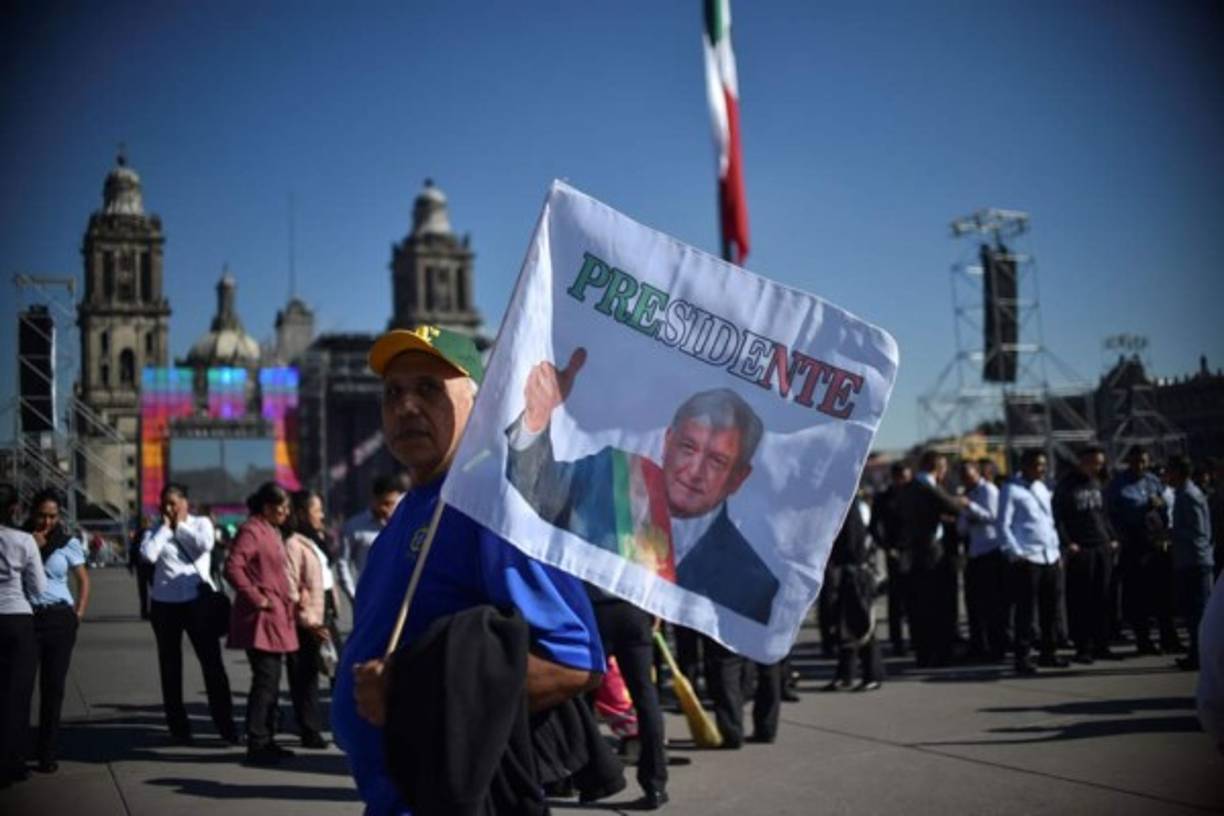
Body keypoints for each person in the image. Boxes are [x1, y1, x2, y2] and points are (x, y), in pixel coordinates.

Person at [333, 326, 611, 814]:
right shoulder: (407, 512)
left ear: (479, 404)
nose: (406, 407)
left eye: (429, 389)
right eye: (393, 393)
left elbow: (576, 663)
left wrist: (408, 698)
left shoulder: (494, 501)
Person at [506, 348, 779, 626]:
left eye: (717, 461)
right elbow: (537, 489)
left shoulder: (752, 582)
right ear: (667, 441)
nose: (694, 471)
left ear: (739, 477)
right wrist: (537, 417)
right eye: (687, 447)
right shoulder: (608, 476)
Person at [140, 483, 237, 744]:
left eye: (173, 503)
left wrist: (179, 527)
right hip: (164, 604)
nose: (168, 509)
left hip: (197, 602)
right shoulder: (155, 530)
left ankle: (225, 724)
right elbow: (147, 555)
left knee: (212, 665)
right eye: (165, 504)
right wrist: (164, 529)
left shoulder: (200, 523)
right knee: (170, 667)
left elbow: (204, 545)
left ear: (185, 503)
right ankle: (178, 727)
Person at [225, 481, 299, 765]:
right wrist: (257, 597)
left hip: (276, 615)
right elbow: (233, 566)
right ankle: (257, 742)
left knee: (271, 681)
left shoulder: (271, 530)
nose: (286, 512)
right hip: (261, 619)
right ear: (267, 507)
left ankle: (267, 739)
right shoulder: (252, 530)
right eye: (282, 507)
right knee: (265, 681)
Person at [24, 487, 90, 773]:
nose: (47, 522)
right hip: (26, 618)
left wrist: (78, 613)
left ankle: (46, 752)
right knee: (20, 688)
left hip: (59, 619)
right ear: (32, 513)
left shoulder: (68, 543)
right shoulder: (20, 539)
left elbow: (83, 580)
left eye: (52, 516)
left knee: (54, 688)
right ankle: (17, 748)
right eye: (42, 515)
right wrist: (33, 548)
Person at [897, 451, 969, 667]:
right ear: (937, 468)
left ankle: (924, 653)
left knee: (919, 608)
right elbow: (953, 507)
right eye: (944, 468)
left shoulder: (907, 489)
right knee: (937, 606)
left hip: (914, 552)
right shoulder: (927, 488)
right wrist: (959, 500)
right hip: (932, 554)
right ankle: (939, 653)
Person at [997, 451, 1066, 675]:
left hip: (1050, 556)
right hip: (1028, 558)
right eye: (1038, 465)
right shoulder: (1011, 489)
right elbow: (1003, 525)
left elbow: (1049, 522)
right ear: (1025, 466)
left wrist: (1056, 551)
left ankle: (1049, 652)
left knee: (1050, 609)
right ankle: (1023, 657)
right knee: (1026, 612)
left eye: (1044, 465)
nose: (1042, 469)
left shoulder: (1041, 488)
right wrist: (1016, 553)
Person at [1107, 447, 1180, 654]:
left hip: (1157, 543)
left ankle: (1169, 638)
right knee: (1139, 595)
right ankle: (1144, 641)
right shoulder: (1118, 485)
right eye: (1136, 461)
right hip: (1134, 543)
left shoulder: (1152, 481)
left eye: (1143, 461)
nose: (1140, 465)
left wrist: (1160, 505)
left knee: (1163, 594)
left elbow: (1165, 507)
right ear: (1129, 461)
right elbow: (1111, 514)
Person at [1053, 446, 1121, 664]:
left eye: (1100, 463)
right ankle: (1083, 647)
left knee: (1103, 597)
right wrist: (1068, 543)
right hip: (1081, 549)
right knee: (1081, 599)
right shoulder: (1066, 486)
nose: (1098, 467)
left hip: (1102, 546)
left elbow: (1103, 515)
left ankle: (1102, 644)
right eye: (1094, 463)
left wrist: (1112, 537)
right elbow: (1058, 519)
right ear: (1082, 461)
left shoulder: (1097, 483)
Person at [0, 484, 46, 787]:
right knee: (18, 695)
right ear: (15, 508)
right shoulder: (23, 540)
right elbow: (39, 588)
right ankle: (12, 761)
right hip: (17, 618)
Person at [822, 495, 883, 691]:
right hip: (849, 571)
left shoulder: (848, 508)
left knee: (862, 625)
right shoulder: (843, 506)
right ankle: (846, 674)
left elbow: (852, 544)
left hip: (855, 574)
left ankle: (872, 675)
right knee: (846, 626)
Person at [283, 493, 330, 749]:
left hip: (322, 616)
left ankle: (314, 725)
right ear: (301, 513)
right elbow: (291, 587)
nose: (321, 515)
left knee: (325, 671)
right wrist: (308, 621)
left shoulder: (313, 540)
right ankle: (309, 730)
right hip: (306, 622)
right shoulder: (293, 544)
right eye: (317, 510)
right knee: (305, 678)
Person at [1167, 456, 1213, 671]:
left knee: (1198, 613)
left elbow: (1199, 532)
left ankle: (1200, 655)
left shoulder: (1189, 496)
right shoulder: (1184, 494)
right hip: (1188, 560)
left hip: (1194, 561)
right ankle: (1196, 654)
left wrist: (1170, 533)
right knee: (1192, 612)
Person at [958, 459, 1005, 661]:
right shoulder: (966, 494)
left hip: (990, 552)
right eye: (963, 478)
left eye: (969, 477)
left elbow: (994, 516)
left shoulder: (989, 491)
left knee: (991, 604)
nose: (966, 481)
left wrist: (972, 508)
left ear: (978, 474)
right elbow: (961, 527)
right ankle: (978, 646)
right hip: (974, 553)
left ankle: (996, 648)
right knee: (974, 604)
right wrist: (967, 514)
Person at [336, 475, 403, 604]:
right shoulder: (354, 527)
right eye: (385, 503)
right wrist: (353, 595)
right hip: (369, 598)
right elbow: (342, 562)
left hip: (398, 597)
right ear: (374, 499)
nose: (388, 509)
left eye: (392, 504)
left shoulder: (403, 524)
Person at [870, 461, 912, 656]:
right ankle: (897, 641)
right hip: (895, 551)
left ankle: (915, 638)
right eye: (902, 477)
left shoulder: (916, 495)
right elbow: (873, 526)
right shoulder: (884, 499)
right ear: (895, 478)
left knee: (915, 599)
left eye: (907, 477)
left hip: (915, 551)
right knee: (896, 600)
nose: (905, 481)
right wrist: (886, 547)